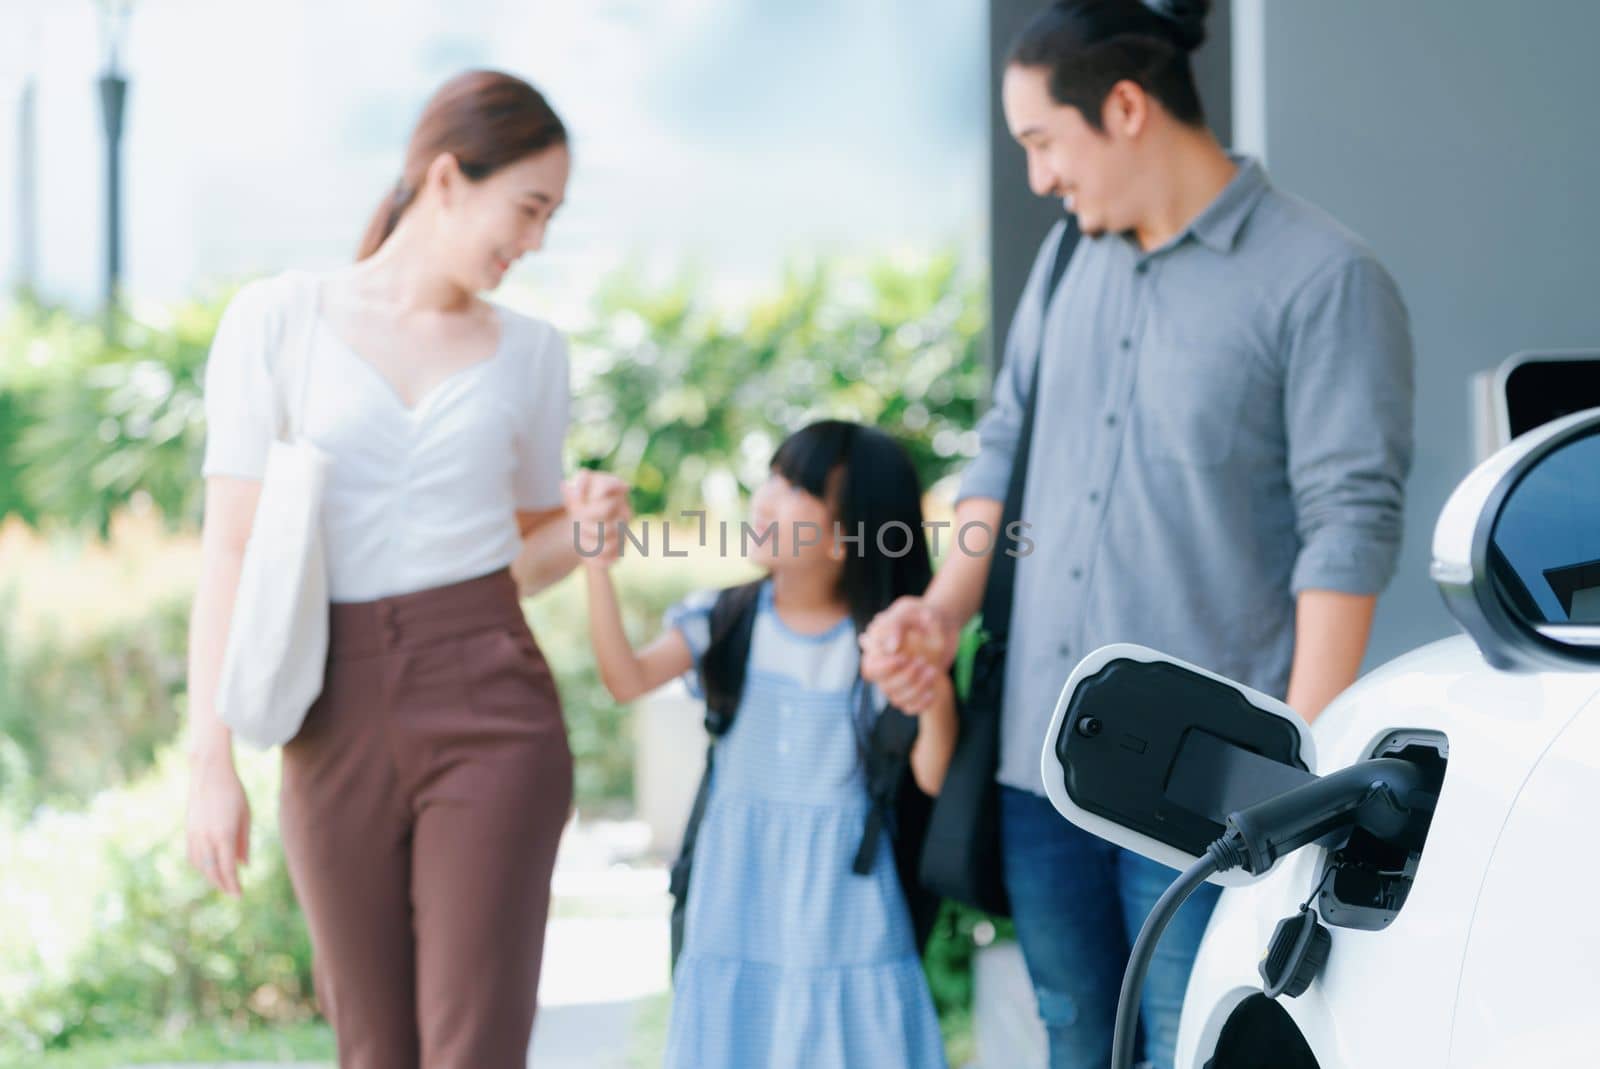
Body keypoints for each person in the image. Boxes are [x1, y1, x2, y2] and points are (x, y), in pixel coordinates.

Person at [860, 2, 1415, 1067]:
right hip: (1039, 756)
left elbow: (1347, 526)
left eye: (1041, 142)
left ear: (1122, 108)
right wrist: (939, 613)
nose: (1038, 178)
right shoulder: (1069, 262)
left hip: (1203, 780)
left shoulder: (1322, 278)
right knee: (1074, 1029)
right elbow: (1004, 446)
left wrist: (1290, 779)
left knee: (1182, 1041)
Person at [183, 70, 628, 1068]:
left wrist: (590, 528)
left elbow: (522, 555)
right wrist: (209, 761)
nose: (537, 241)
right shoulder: (279, 319)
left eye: (551, 215)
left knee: (473, 1047)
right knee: (372, 1046)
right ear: (445, 177)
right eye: (528, 207)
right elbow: (231, 548)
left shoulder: (531, 353)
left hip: (489, 699)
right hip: (328, 708)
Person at [580, 421, 954, 1069]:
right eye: (773, 478)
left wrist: (935, 691)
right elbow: (626, 677)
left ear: (847, 534)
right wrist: (596, 567)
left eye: (796, 488)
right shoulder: (726, 618)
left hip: (846, 893)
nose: (765, 498)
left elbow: (933, 775)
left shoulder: (883, 639)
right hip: (738, 882)